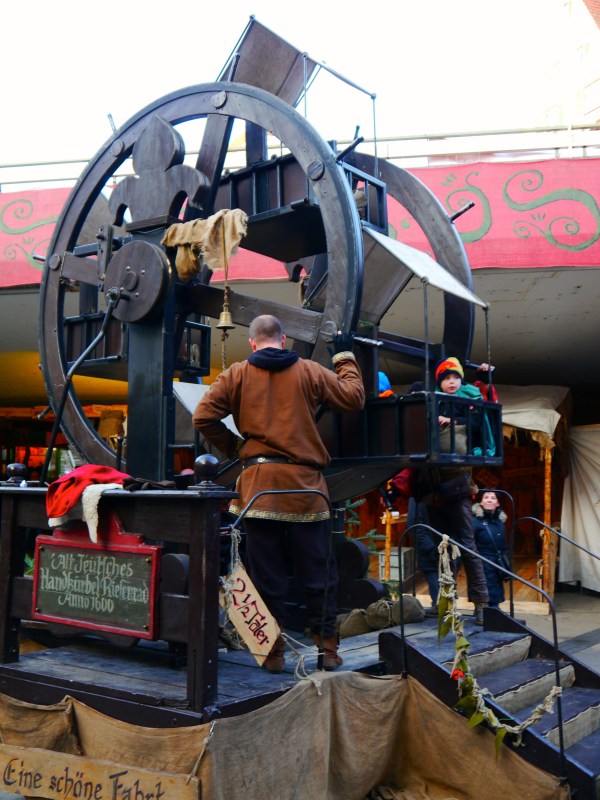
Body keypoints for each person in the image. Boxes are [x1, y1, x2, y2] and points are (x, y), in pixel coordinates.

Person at [192, 314, 365, 672]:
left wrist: (240, 450)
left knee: (266, 575)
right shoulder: (308, 370)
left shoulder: (237, 373)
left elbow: (203, 416)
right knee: (319, 574)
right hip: (306, 490)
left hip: (260, 490)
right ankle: (328, 651)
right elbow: (354, 398)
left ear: (253, 343)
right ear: (283, 340)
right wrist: (344, 359)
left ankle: (272, 654)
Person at [414, 356, 490, 625]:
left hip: (456, 486)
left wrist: (453, 420)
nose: (451, 382)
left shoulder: (467, 405)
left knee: (467, 546)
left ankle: (481, 603)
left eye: (455, 377)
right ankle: (445, 602)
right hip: (434, 489)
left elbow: (479, 424)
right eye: (446, 378)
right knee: (443, 549)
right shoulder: (432, 405)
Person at [472, 491, 509, 609]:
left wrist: (506, 563)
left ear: (497, 503)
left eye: (493, 498)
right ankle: (488, 613)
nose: (489, 500)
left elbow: (502, 545)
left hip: (497, 562)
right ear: (481, 502)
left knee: (495, 591)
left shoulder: (500, 522)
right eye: (486, 497)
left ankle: (492, 614)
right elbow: (469, 542)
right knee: (486, 592)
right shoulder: (475, 521)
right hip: (482, 562)